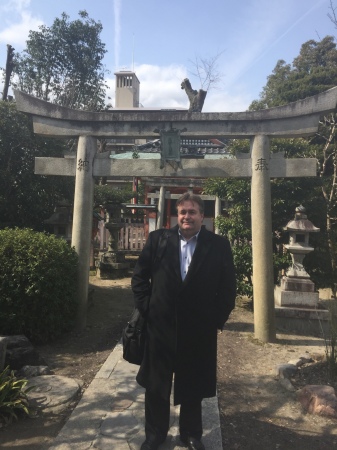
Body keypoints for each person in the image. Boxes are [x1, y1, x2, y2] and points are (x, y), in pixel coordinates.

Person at [131, 192, 236, 450]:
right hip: (160, 326)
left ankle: (191, 434)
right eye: (182, 212)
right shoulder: (158, 240)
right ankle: (155, 434)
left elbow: (228, 288)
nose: (186, 216)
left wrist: (215, 320)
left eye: (192, 212)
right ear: (176, 216)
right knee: (156, 385)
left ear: (202, 215)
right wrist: (148, 310)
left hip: (198, 328)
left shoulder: (218, 245)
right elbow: (139, 279)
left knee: (193, 384)